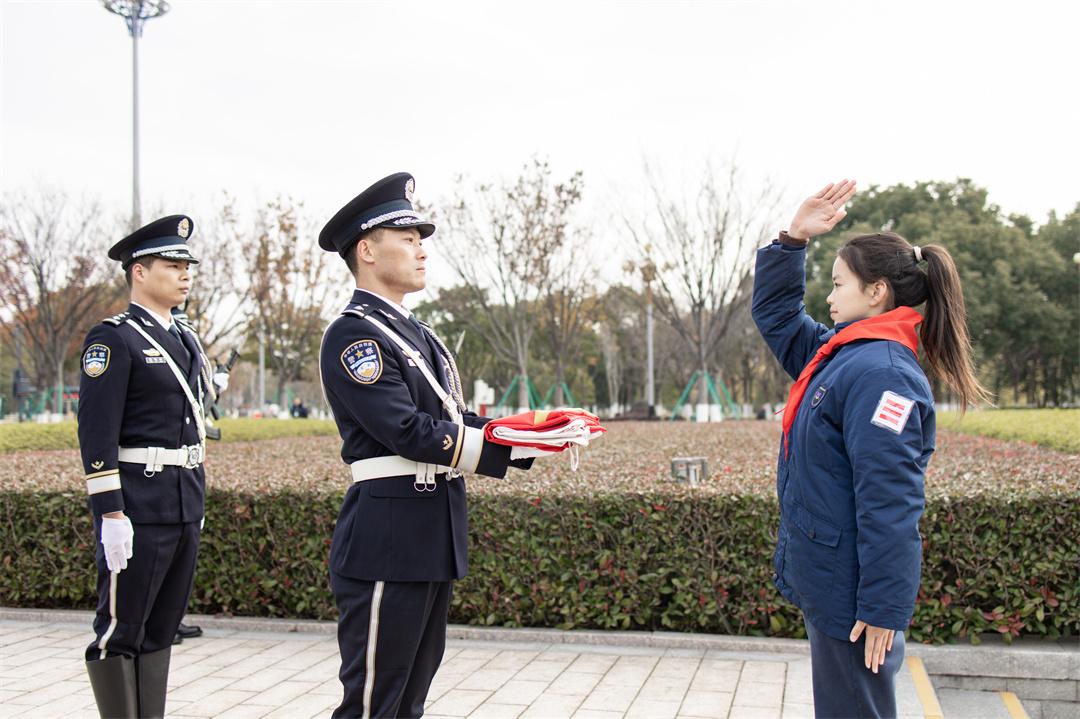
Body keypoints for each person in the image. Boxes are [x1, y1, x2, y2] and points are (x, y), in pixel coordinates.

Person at [752, 180, 990, 719]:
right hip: (832, 586)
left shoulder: (882, 375)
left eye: (838, 285)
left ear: (877, 292)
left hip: (855, 603)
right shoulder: (841, 356)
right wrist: (792, 240)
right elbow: (777, 318)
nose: (830, 298)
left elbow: (890, 502)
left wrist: (884, 610)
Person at [317, 172, 534, 718]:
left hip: (426, 536)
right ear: (366, 250)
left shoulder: (416, 332)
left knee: (409, 700)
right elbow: (408, 429)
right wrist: (500, 451)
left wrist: (530, 436)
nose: (421, 251)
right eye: (407, 238)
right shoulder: (355, 334)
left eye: (420, 239)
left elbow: (450, 416)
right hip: (386, 540)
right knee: (373, 703)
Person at [78, 215, 207, 718]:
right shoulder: (114, 339)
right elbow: (96, 432)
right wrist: (109, 512)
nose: (184, 273)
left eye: (187, 264)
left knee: (161, 626)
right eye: (172, 264)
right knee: (120, 629)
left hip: (181, 501)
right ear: (138, 272)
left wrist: (196, 501)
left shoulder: (186, 337)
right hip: (135, 504)